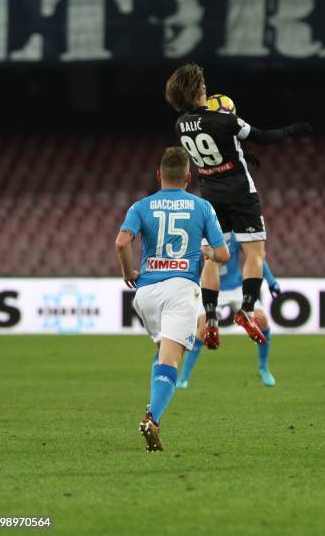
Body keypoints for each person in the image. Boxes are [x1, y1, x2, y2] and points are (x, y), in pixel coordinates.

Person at [165, 63, 312, 350]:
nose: (206, 89)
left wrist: (242, 156)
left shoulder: (180, 125)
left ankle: (209, 317)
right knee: (254, 253)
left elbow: (217, 150)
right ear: (197, 91)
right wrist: (291, 130)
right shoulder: (224, 120)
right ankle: (246, 309)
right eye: (203, 85)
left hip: (209, 193)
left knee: (213, 257)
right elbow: (262, 136)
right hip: (240, 193)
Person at [115, 147, 230, 452]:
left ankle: (154, 408)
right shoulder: (202, 207)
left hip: (145, 293)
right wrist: (206, 252)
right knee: (171, 360)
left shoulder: (140, 206)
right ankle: (153, 418)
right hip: (180, 289)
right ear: (189, 178)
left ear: (159, 176)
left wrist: (129, 272)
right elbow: (223, 254)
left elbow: (122, 242)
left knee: (163, 353)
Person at [177, 232, 281, 388]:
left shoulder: (234, 236)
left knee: (262, 320)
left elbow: (256, 257)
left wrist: (271, 281)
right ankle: (183, 378)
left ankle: (263, 368)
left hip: (237, 287)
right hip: (210, 288)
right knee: (204, 328)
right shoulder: (201, 237)